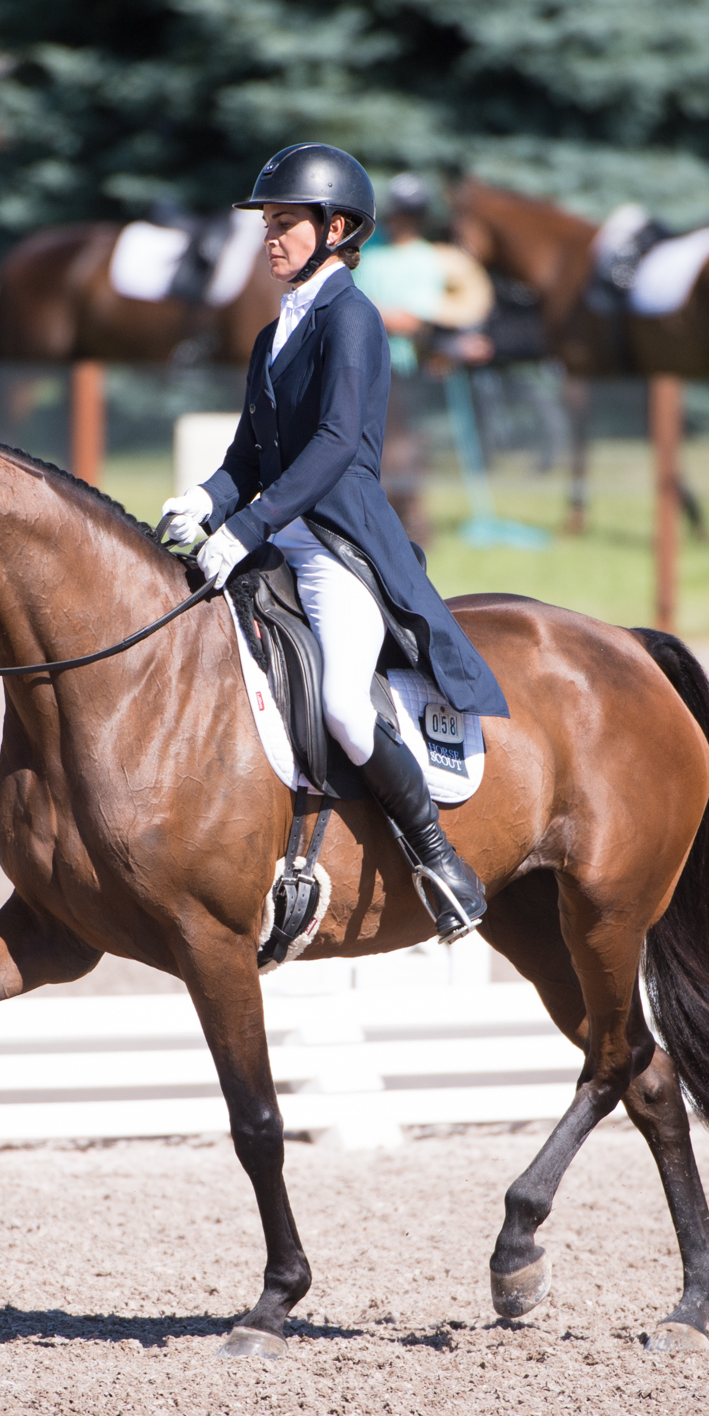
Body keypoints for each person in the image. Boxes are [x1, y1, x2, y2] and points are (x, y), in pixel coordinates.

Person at [156, 144, 508, 940]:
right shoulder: (271, 331)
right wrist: (205, 501)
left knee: (344, 704)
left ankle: (435, 857)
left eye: (285, 223)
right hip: (275, 538)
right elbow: (250, 453)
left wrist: (244, 526)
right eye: (267, 223)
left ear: (335, 227)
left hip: (337, 543)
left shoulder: (353, 317)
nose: (270, 237)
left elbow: (335, 442)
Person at [352, 173, 497, 544]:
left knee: (405, 445)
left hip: (406, 366)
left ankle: (410, 523)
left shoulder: (428, 259)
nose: (404, 222)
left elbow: (420, 317)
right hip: (364, 363)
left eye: (411, 215)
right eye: (400, 214)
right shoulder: (369, 253)